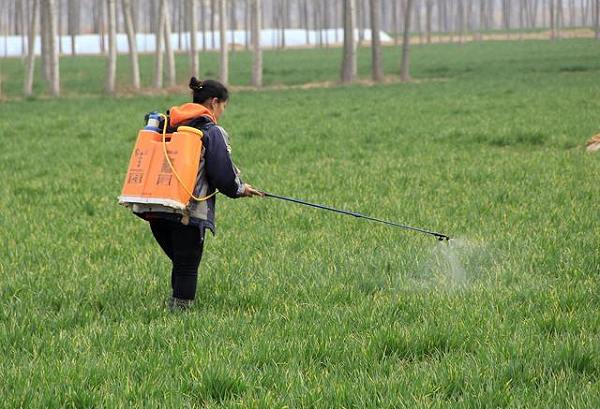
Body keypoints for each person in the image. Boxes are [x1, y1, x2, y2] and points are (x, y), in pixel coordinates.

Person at [132, 77, 263, 310]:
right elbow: (222, 175)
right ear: (214, 103)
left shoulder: (167, 125)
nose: (222, 112)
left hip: (153, 207)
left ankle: (173, 308)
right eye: (223, 106)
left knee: (181, 262)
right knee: (187, 266)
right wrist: (240, 189)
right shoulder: (211, 131)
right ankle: (180, 318)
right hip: (186, 210)